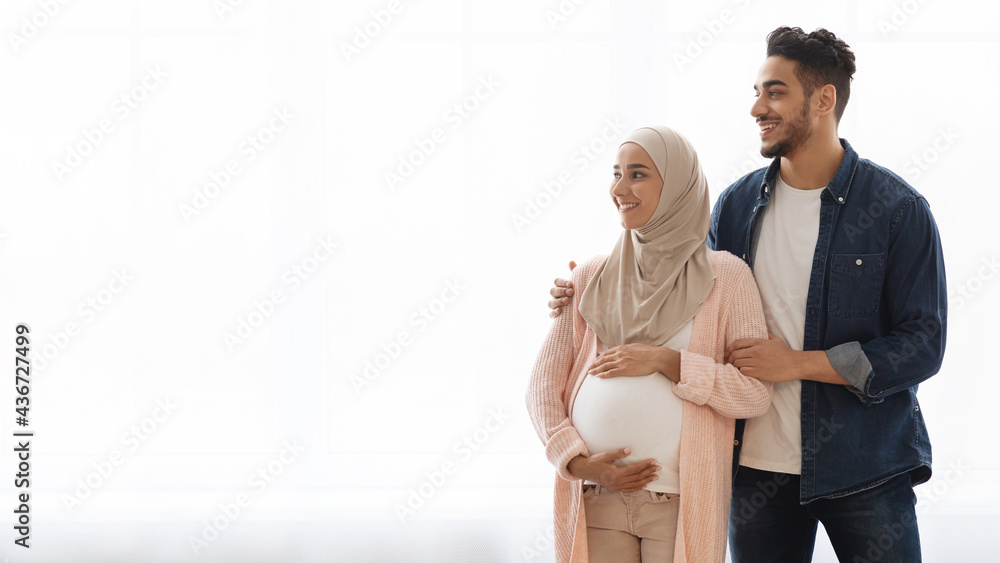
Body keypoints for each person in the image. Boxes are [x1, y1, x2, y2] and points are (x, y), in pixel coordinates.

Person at [546, 28, 947, 562]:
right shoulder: (736, 208)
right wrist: (587, 288)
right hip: (754, 472)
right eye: (756, 92)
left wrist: (799, 364)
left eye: (775, 92)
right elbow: (680, 294)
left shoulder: (897, 210)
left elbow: (923, 344)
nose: (757, 106)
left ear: (824, 99)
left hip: (865, 465)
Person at [526, 126, 773, 563]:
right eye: (616, 173)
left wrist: (667, 361)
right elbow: (542, 389)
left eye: (637, 174)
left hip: (677, 503)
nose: (619, 188)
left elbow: (753, 394)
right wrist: (579, 464)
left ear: (678, 186)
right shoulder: (589, 276)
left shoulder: (727, 277)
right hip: (596, 497)